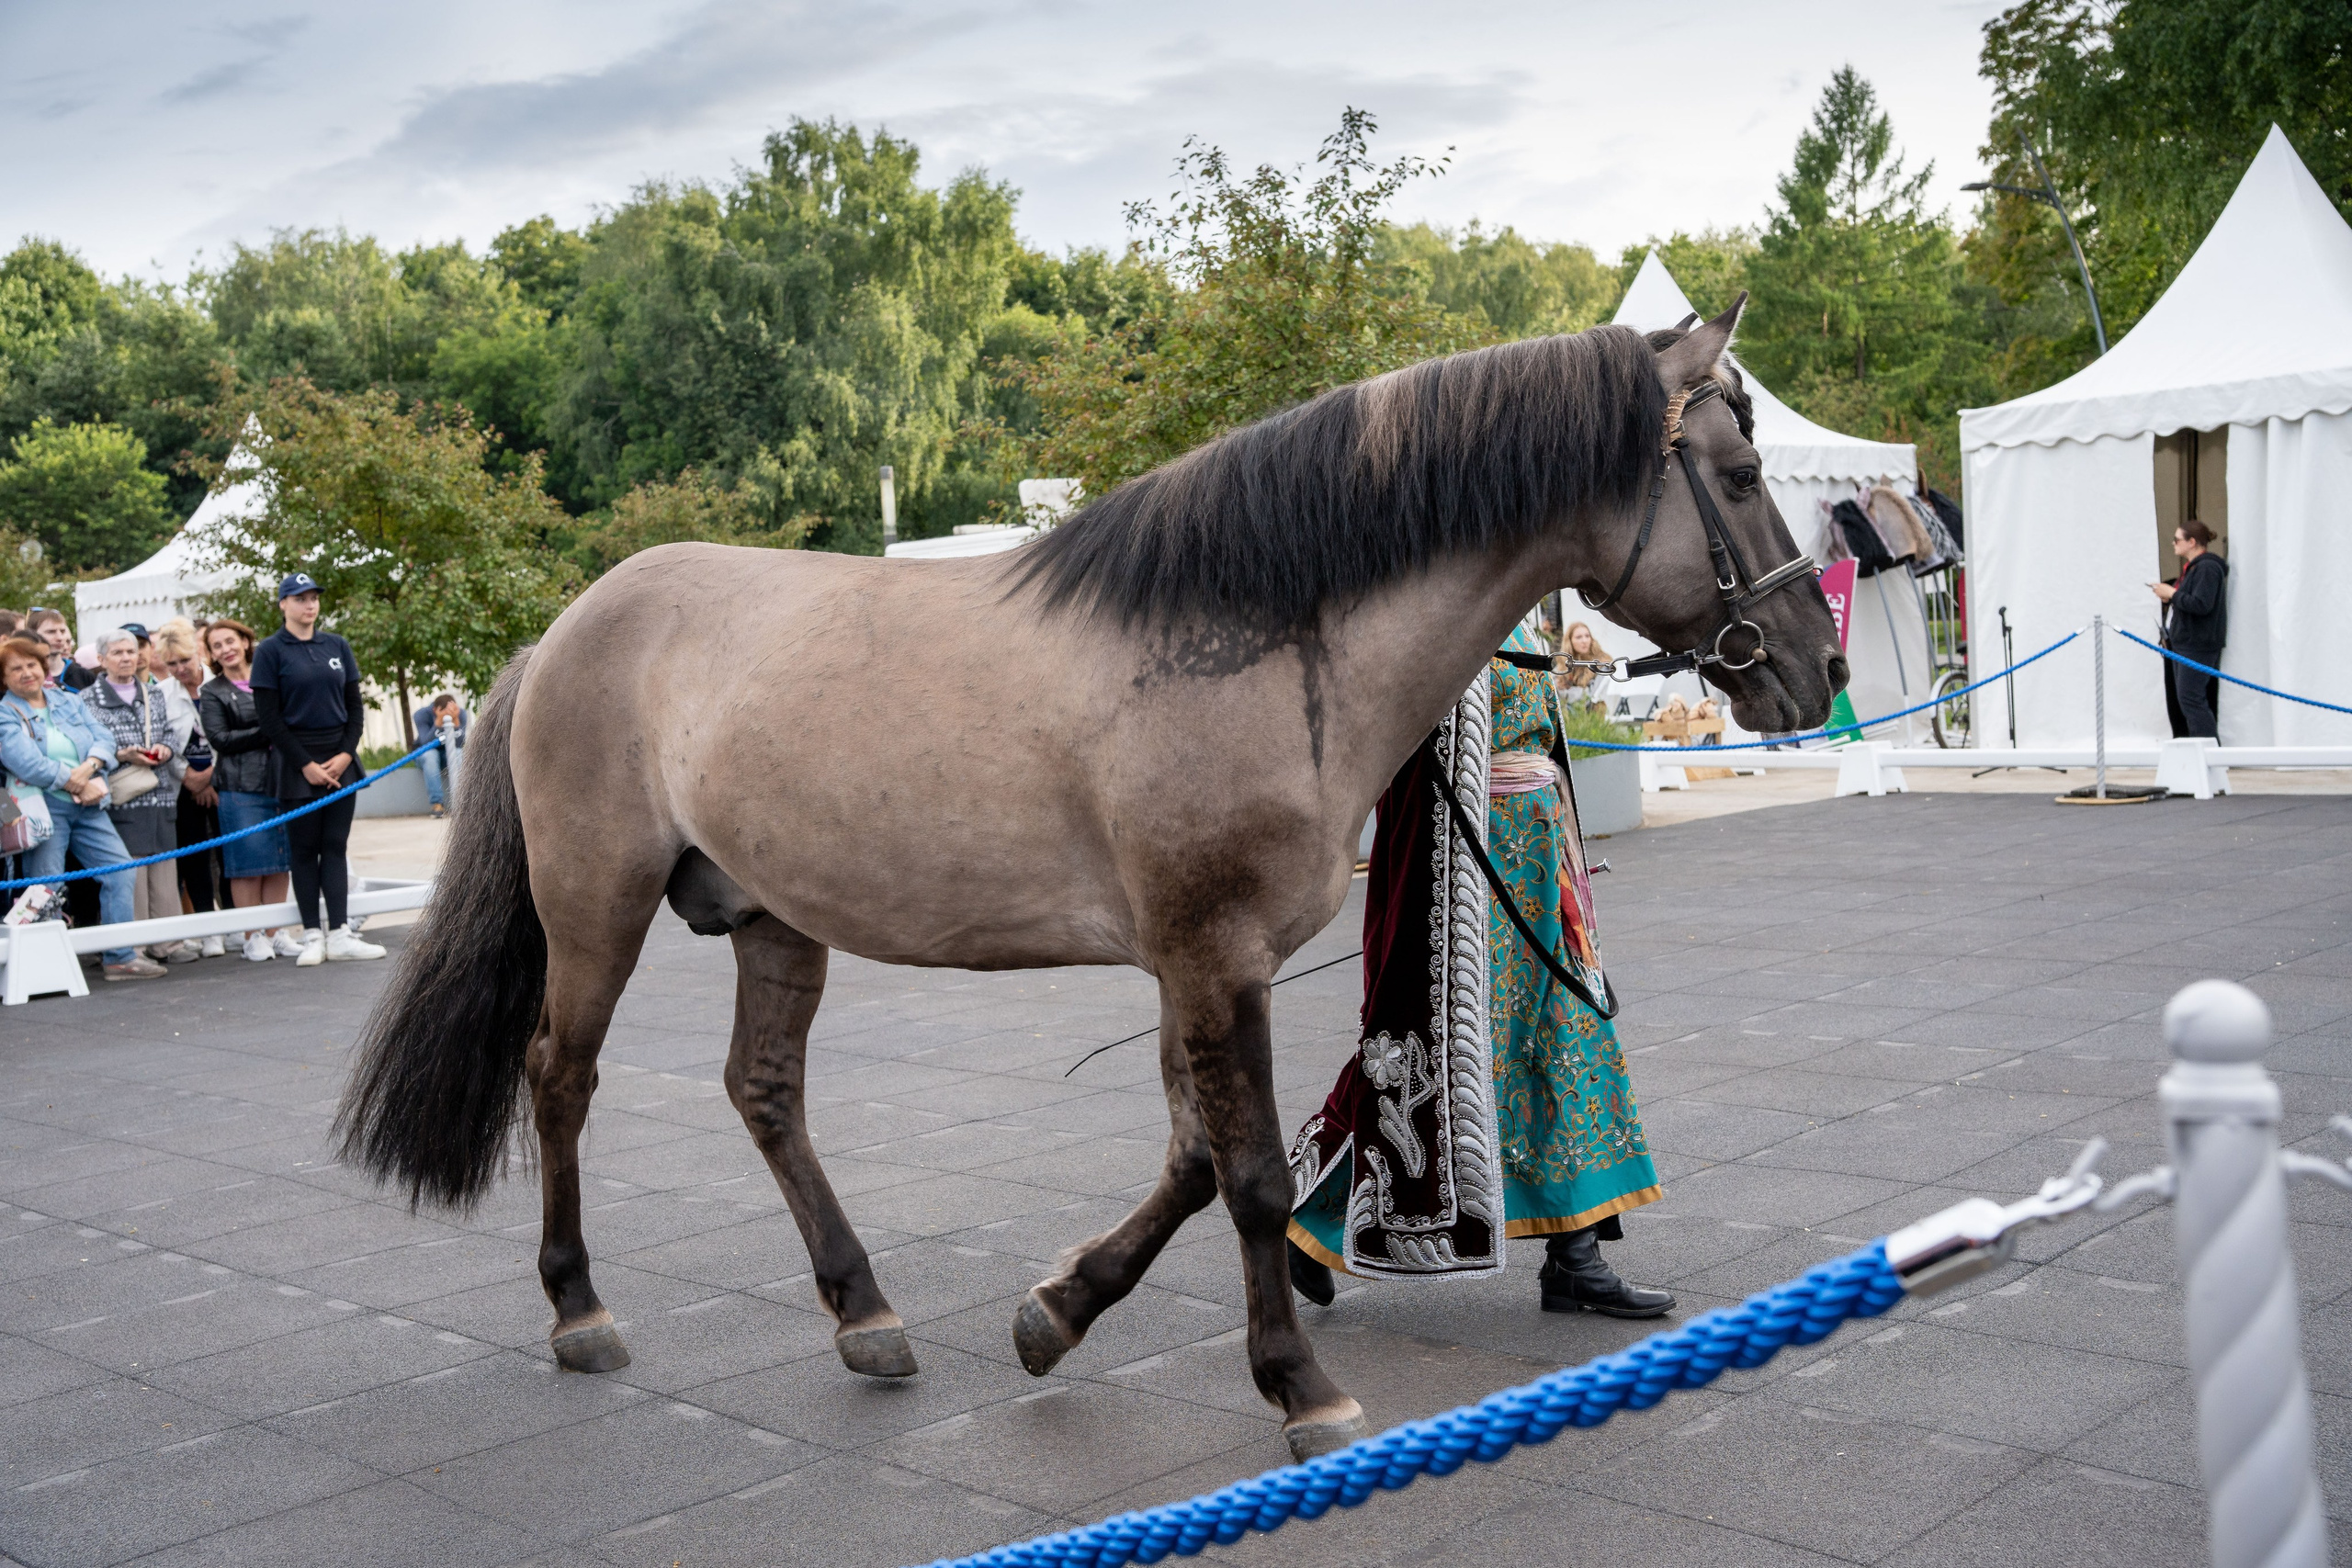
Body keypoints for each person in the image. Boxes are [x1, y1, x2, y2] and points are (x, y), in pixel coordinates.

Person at [1284, 623, 1675, 1318]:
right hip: (1468, 877)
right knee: (1428, 1064)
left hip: (1537, 858)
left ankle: (1575, 1260)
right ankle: (1308, 1227)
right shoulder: (1436, 607)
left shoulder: (1518, 609)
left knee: (1571, 1043)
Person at [0, 635, 158, 979]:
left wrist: (90, 768)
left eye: (32, 665)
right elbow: (25, 763)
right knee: (45, 887)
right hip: (43, 810)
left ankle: (120, 956)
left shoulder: (66, 700)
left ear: (44, 668)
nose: (27, 673)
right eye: (16, 669)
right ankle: (45, 967)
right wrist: (76, 782)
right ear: (4, 677)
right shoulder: (4, 713)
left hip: (90, 804)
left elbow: (103, 737)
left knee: (120, 871)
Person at [250, 573, 383, 965]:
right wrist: (304, 765)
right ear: (283, 604)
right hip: (296, 764)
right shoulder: (270, 651)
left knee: (335, 847)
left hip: (339, 759)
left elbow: (355, 708)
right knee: (304, 850)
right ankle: (312, 934)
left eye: (313, 598)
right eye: (299, 598)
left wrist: (345, 755)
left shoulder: (336, 645)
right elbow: (269, 719)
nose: (309, 605)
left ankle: (340, 932)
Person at [86, 625, 201, 963]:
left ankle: (168, 942)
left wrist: (164, 748)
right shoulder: (87, 699)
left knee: (165, 868)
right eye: (118, 652)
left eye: (131, 651)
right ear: (101, 658)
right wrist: (123, 754)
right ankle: (133, 946)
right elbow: (89, 743)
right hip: (123, 793)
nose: (126, 658)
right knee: (132, 871)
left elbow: (167, 730)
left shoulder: (153, 693)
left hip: (160, 790)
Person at [200, 617, 301, 963]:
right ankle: (252, 935)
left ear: (245, 641)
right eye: (217, 645)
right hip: (239, 786)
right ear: (212, 654)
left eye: (231, 641)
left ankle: (276, 932)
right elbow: (220, 739)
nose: (226, 649)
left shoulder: (270, 677)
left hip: (283, 781)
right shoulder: (211, 691)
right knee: (246, 863)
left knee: (278, 859)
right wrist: (270, 730)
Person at [154, 620, 226, 956]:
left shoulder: (220, 683)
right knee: (194, 858)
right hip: (182, 785)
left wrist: (210, 776)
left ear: (198, 652)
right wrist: (190, 778)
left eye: (184, 660)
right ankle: (206, 926)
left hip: (222, 779)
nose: (180, 669)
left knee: (229, 855)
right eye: (172, 664)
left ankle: (236, 924)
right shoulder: (161, 694)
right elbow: (160, 742)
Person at [2151, 521, 2227, 740]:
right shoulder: (2196, 568)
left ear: (2192, 542)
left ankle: (2208, 753)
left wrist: (2173, 594)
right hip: (2186, 643)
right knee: (2187, 699)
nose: (2173, 544)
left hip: (2197, 644)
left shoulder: (2207, 568)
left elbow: (2202, 604)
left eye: (2177, 540)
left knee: (2192, 699)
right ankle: (2198, 749)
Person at [412, 693, 466, 818]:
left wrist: (456, 720)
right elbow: (425, 743)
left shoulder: (460, 713)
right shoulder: (421, 715)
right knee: (430, 755)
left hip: (449, 754)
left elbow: (461, 743)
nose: (449, 715)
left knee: (459, 753)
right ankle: (437, 804)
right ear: (434, 710)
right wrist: (439, 722)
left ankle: (460, 803)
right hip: (425, 755)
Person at [24, 608, 96, 693]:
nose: (60, 638)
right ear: (32, 635)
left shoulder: (84, 676)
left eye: (62, 631)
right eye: (51, 632)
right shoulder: (25, 675)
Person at [1555, 620, 1615, 716]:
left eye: (1587, 636)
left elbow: (1592, 697)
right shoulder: (1563, 664)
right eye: (1579, 637)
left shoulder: (1602, 664)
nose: (1584, 641)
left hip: (1592, 715)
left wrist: (1567, 693)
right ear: (1570, 641)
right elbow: (1554, 692)